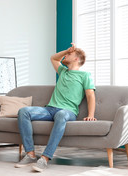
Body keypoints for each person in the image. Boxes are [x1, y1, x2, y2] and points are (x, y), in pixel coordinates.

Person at [15, 43, 96, 172]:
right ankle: (30, 154)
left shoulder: (85, 76)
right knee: (23, 111)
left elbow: (90, 95)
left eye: (70, 54)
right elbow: (53, 58)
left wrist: (91, 115)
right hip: (49, 109)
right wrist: (66, 51)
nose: (66, 55)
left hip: (68, 112)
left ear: (76, 59)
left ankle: (45, 158)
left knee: (61, 115)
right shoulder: (63, 71)